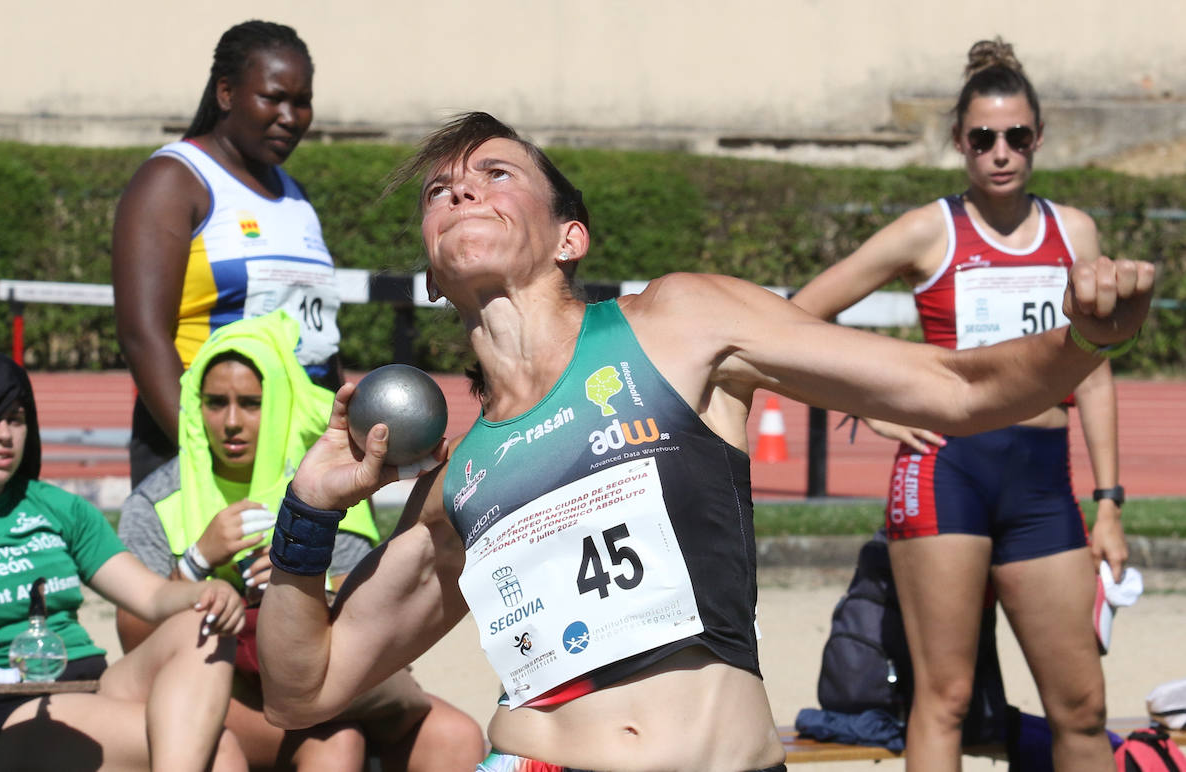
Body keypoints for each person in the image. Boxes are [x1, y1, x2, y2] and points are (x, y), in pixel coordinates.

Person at [247, 112, 1153, 772]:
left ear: (571, 236)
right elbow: (304, 688)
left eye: (494, 174)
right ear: (433, 274)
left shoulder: (679, 323)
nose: (458, 191)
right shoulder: (460, 482)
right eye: (441, 192)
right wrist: (308, 517)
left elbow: (958, 388)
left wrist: (1087, 340)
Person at [791, 39, 1126, 771]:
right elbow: (797, 320)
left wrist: (1109, 502)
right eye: (982, 138)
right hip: (948, 474)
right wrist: (870, 406)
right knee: (942, 700)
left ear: (1038, 137)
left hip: (1042, 482)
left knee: (1083, 708)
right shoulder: (929, 230)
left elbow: (1094, 373)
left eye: (1016, 137)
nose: (1000, 152)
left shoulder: (1074, 232)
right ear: (959, 144)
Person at [115, 312, 485, 770]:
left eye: (251, 403)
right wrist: (195, 563)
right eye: (214, 402)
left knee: (458, 737)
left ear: (282, 401)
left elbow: (368, 593)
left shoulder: (327, 483)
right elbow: (132, 637)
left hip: (326, 678)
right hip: (215, 684)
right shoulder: (157, 500)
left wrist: (301, 582)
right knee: (335, 743)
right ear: (194, 405)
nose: (231, 421)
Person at [0, 350, 248, 771]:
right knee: (219, 751)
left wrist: (208, 589)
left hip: (94, 690)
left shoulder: (57, 507)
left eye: (17, 419)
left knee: (200, 618)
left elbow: (152, 596)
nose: (5, 435)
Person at [113, 20, 346, 487]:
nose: (290, 115)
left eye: (302, 102)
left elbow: (319, 337)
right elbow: (142, 335)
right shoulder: (173, 181)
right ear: (226, 93)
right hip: (206, 450)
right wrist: (204, 450)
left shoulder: (296, 197)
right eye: (273, 97)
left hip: (295, 450)